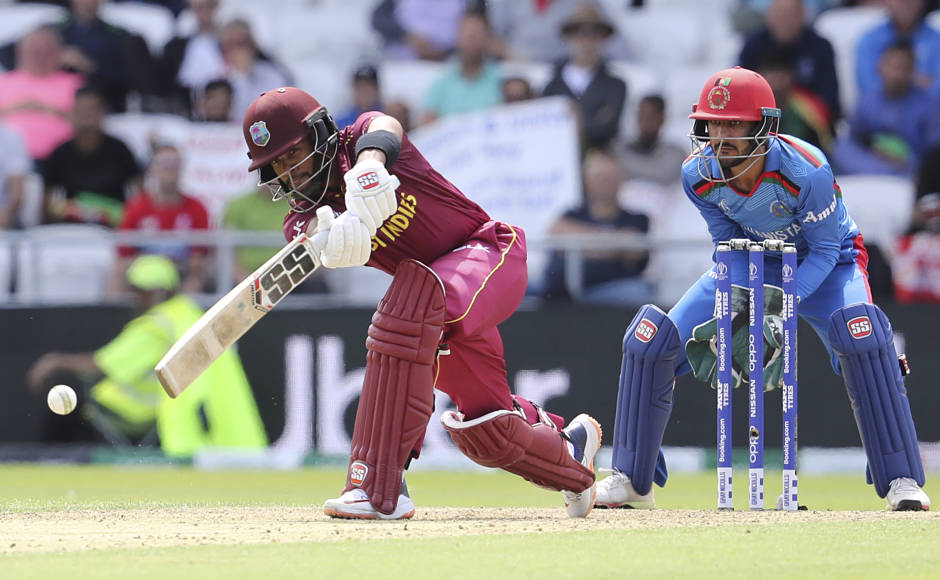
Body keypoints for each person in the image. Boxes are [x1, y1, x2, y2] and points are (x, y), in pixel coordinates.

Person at [241, 86, 601, 520]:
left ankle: (376, 485)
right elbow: (314, 241)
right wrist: (334, 240)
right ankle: (573, 452)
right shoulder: (301, 218)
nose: (289, 172)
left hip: (488, 254)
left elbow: (385, 128)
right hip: (436, 309)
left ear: (319, 133)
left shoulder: (360, 141)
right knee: (489, 430)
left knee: (408, 304)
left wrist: (370, 169)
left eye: (291, 154)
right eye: (276, 166)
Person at [594, 66, 930, 512]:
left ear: (764, 127)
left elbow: (828, 250)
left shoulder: (806, 170)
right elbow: (724, 244)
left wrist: (777, 307)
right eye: (714, 122)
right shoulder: (697, 174)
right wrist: (737, 309)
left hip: (827, 262)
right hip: (750, 257)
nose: (721, 134)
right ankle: (632, 482)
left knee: (862, 338)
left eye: (734, 123)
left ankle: (902, 480)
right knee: (653, 343)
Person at [26, 254, 268, 458]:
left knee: (69, 396)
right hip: (176, 407)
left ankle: (50, 462)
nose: (136, 296)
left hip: (137, 410)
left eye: (142, 290)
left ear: (159, 292)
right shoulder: (189, 312)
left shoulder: (156, 325)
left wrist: (55, 361)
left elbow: (102, 365)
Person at [542, 149, 652, 305]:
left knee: (638, 293)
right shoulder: (571, 214)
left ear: (621, 180)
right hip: (559, 291)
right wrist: (613, 246)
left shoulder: (637, 219)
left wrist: (579, 244)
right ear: (587, 181)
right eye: (599, 178)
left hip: (614, 290)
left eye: (609, 178)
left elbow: (634, 248)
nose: (604, 183)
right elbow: (556, 233)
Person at [113, 144, 211, 295]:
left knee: (196, 278)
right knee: (115, 273)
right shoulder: (136, 207)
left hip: (180, 270)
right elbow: (123, 254)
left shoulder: (197, 208)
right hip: (143, 270)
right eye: (165, 164)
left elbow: (197, 259)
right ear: (153, 169)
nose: (170, 170)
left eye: (175, 165)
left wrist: (171, 265)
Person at [831, 41, 939, 177]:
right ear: (880, 67)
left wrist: (904, 160)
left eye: (903, 68)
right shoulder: (867, 100)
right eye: (892, 66)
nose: (897, 74)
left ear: (913, 71)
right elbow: (853, 139)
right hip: (869, 161)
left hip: (908, 169)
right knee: (840, 148)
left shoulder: (928, 106)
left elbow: (933, 151)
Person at [41, 85, 142, 226]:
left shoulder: (120, 149)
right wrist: (66, 210)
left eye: (92, 109)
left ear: (103, 112)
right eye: (81, 110)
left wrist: (129, 218)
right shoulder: (60, 153)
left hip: (114, 228)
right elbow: (47, 203)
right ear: (73, 113)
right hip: (71, 229)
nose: (87, 116)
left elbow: (139, 192)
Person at [542, 2, 627, 152]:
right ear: (569, 37)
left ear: (602, 40)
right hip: (557, 155)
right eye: (580, 34)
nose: (587, 42)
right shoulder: (551, 86)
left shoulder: (616, 85)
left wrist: (576, 121)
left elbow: (607, 129)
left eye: (594, 35)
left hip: (599, 155)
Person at [737, 0, 841, 120]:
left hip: (808, 120)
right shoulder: (753, 45)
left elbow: (829, 98)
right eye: (780, 15)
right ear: (769, 16)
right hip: (759, 115)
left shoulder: (820, 47)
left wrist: (793, 96)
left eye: (791, 15)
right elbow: (740, 89)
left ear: (802, 15)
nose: (785, 22)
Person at [0, 25, 84, 162]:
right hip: (7, 161)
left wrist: (47, 109)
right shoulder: (3, 82)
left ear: (59, 52)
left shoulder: (77, 83)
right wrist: (17, 108)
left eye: (46, 49)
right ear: (20, 51)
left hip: (63, 159)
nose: (39, 55)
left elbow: (88, 122)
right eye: (33, 49)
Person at [420, 10, 502, 125]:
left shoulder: (501, 81)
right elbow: (426, 126)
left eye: (477, 35)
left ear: (488, 39)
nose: (472, 40)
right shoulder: (442, 83)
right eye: (467, 35)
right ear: (457, 37)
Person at [855, 0, 940, 98]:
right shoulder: (869, 40)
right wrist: (915, 81)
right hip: (881, 112)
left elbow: (937, 91)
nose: (905, 2)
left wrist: (894, 80)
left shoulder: (937, 41)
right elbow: (868, 88)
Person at [620, 94, 687, 185]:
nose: (644, 121)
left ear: (662, 118)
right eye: (641, 115)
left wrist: (624, 166)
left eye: (650, 116)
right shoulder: (621, 148)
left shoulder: (676, 153)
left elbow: (665, 175)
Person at [334, 64, 383, 129]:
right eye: (360, 87)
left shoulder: (386, 119)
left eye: (367, 88)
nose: (363, 93)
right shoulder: (339, 123)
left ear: (377, 90)